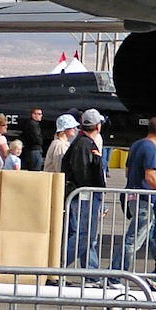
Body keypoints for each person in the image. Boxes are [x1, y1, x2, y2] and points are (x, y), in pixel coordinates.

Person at [113, 117, 156, 272]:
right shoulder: (151, 148)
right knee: (133, 240)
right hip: (144, 199)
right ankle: (115, 273)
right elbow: (149, 176)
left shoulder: (137, 144)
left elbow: (128, 172)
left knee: (151, 238)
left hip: (133, 195)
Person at [62, 109, 108, 271]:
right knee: (84, 235)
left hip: (84, 194)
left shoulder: (84, 142)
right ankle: (58, 266)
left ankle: (90, 271)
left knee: (87, 236)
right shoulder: (83, 144)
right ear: (97, 126)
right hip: (83, 195)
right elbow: (82, 171)